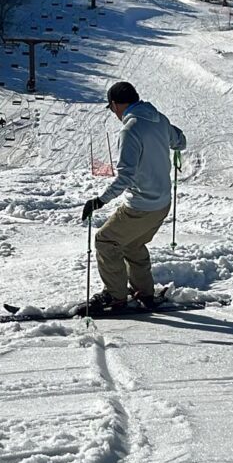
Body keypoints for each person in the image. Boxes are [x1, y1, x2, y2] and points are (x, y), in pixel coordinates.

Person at [81, 82, 186, 314]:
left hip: (141, 205)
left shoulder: (131, 129)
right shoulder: (159, 118)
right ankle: (144, 292)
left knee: (106, 240)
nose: (114, 113)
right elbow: (181, 141)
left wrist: (100, 200)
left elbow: (125, 176)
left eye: (111, 108)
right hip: (162, 204)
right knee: (132, 243)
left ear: (116, 104)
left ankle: (116, 296)